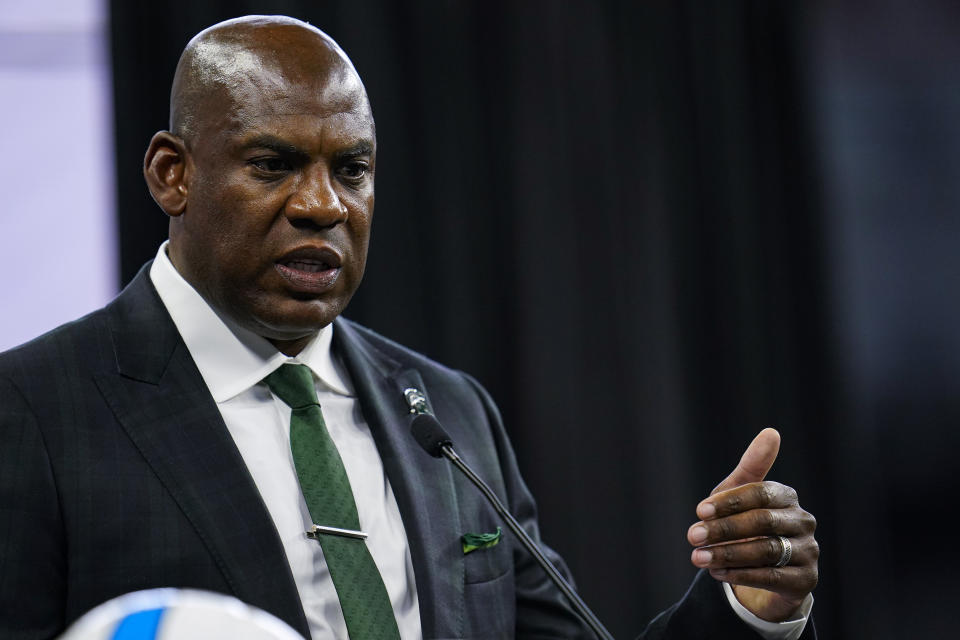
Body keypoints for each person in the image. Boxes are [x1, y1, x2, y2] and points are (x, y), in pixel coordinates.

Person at [0, 15, 818, 640]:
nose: (323, 206)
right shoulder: (33, 414)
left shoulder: (450, 412)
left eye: (351, 169)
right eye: (274, 165)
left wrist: (749, 608)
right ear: (172, 174)